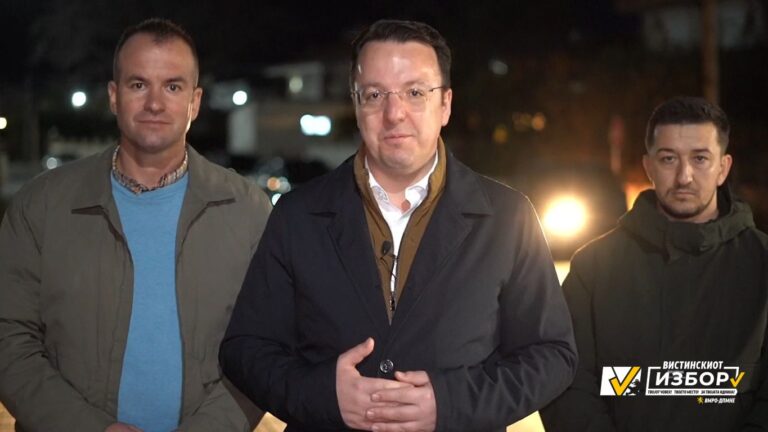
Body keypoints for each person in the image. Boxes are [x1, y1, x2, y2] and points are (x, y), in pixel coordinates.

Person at [220, 19, 577, 432]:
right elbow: (246, 349)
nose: (394, 113)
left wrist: (450, 404)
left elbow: (552, 355)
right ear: (356, 105)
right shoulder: (297, 216)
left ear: (445, 104)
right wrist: (323, 396)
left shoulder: (509, 218)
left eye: (415, 92)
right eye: (375, 95)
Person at [0, 18, 270, 432]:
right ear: (114, 96)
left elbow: (265, 347)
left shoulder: (248, 211)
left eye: (173, 86)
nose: (155, 104)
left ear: (195, 101)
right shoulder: (42, 206)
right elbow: (9, 340)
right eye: (139, 84)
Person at [541, 96, 768, 431]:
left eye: (700, 158)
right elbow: (565, 383)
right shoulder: (594, 267)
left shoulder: (762, 264)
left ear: (723, 168)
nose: (684, 176)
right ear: (649, 167)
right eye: (668, 158)